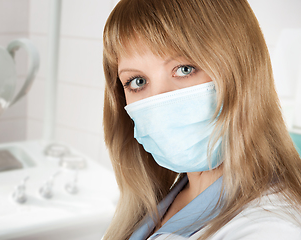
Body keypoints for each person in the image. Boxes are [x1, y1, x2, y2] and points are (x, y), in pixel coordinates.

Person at [102, 0, 301, 239]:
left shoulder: (271, 228)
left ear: (241, 68)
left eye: (185, 69)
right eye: (138, 81)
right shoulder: (164, 199)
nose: (159, 100)